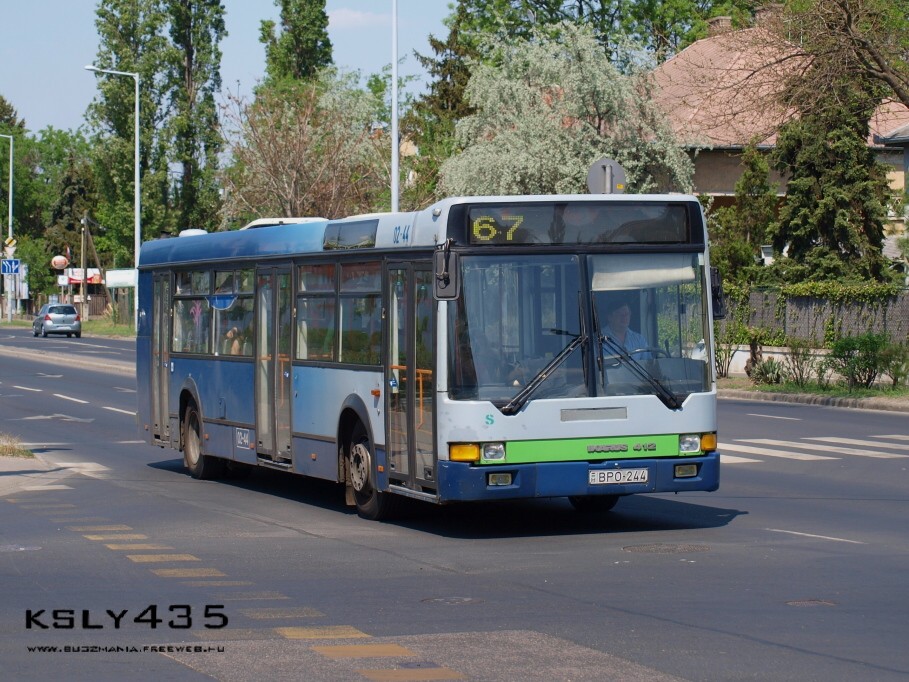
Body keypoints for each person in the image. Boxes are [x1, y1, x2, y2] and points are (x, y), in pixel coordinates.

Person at [602, 295, 651, 360]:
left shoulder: (639, 340)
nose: (624, 317)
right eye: (620, 314)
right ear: (609, 317)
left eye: (626, 314)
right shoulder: (598, 340)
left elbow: (648, 363)